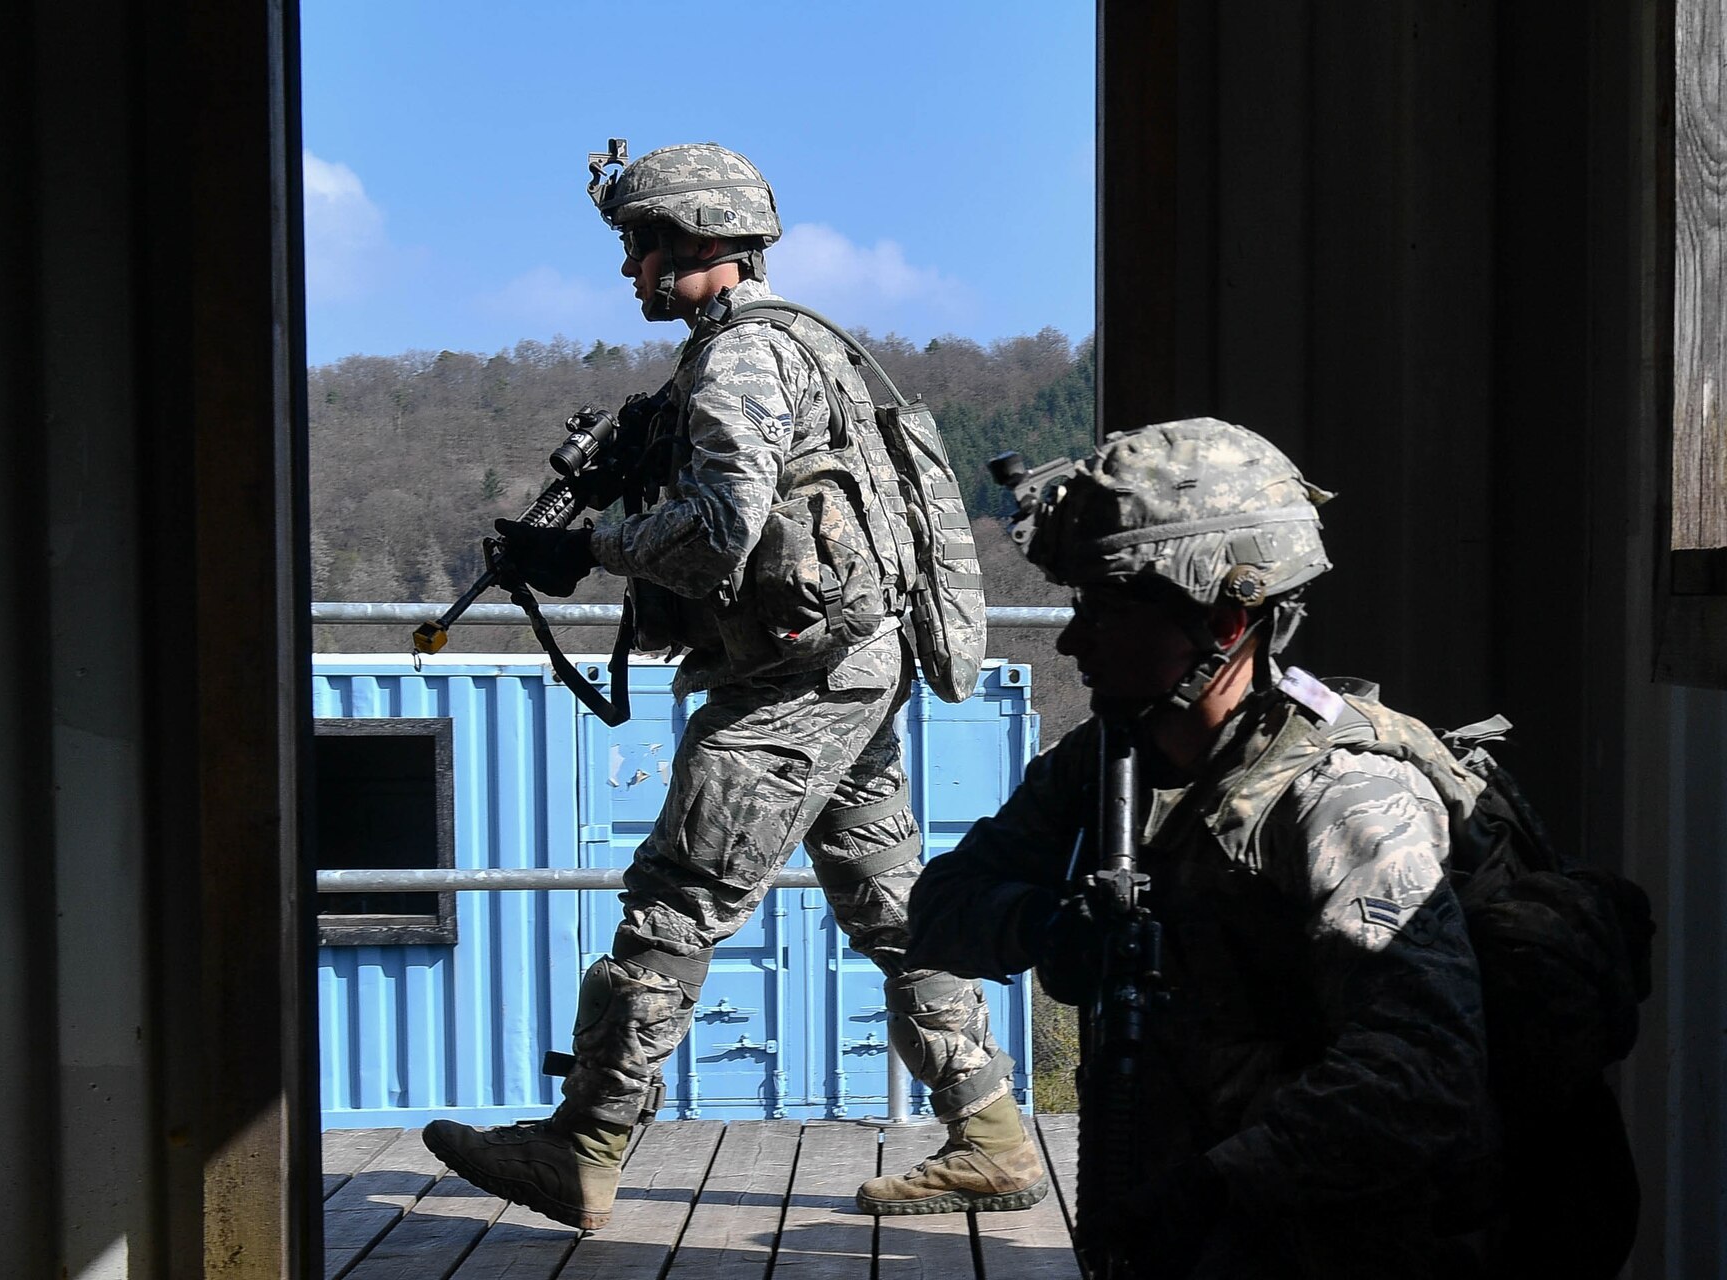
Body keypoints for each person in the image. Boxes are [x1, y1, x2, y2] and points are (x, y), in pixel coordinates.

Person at [419, 141, 1048, 1231]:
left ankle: (584, 1143)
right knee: (889, 903)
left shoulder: (741, 361)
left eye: (640, 247)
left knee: (675, 897)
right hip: (848, 664)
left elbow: (718, 535)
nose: (630, 274)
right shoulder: (797, 345)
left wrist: (593, 548)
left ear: (697, 239)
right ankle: (989, 1129)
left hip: (795, 684)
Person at [906, 418, 1501, 1279]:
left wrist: (1215, 1191)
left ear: (1224, 620)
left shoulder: (1343, 798)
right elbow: (942, 907)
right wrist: (1048, 927)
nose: (1074, 643)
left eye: (1108, 610)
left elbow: (1424, 1070)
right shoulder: (1115, 753)